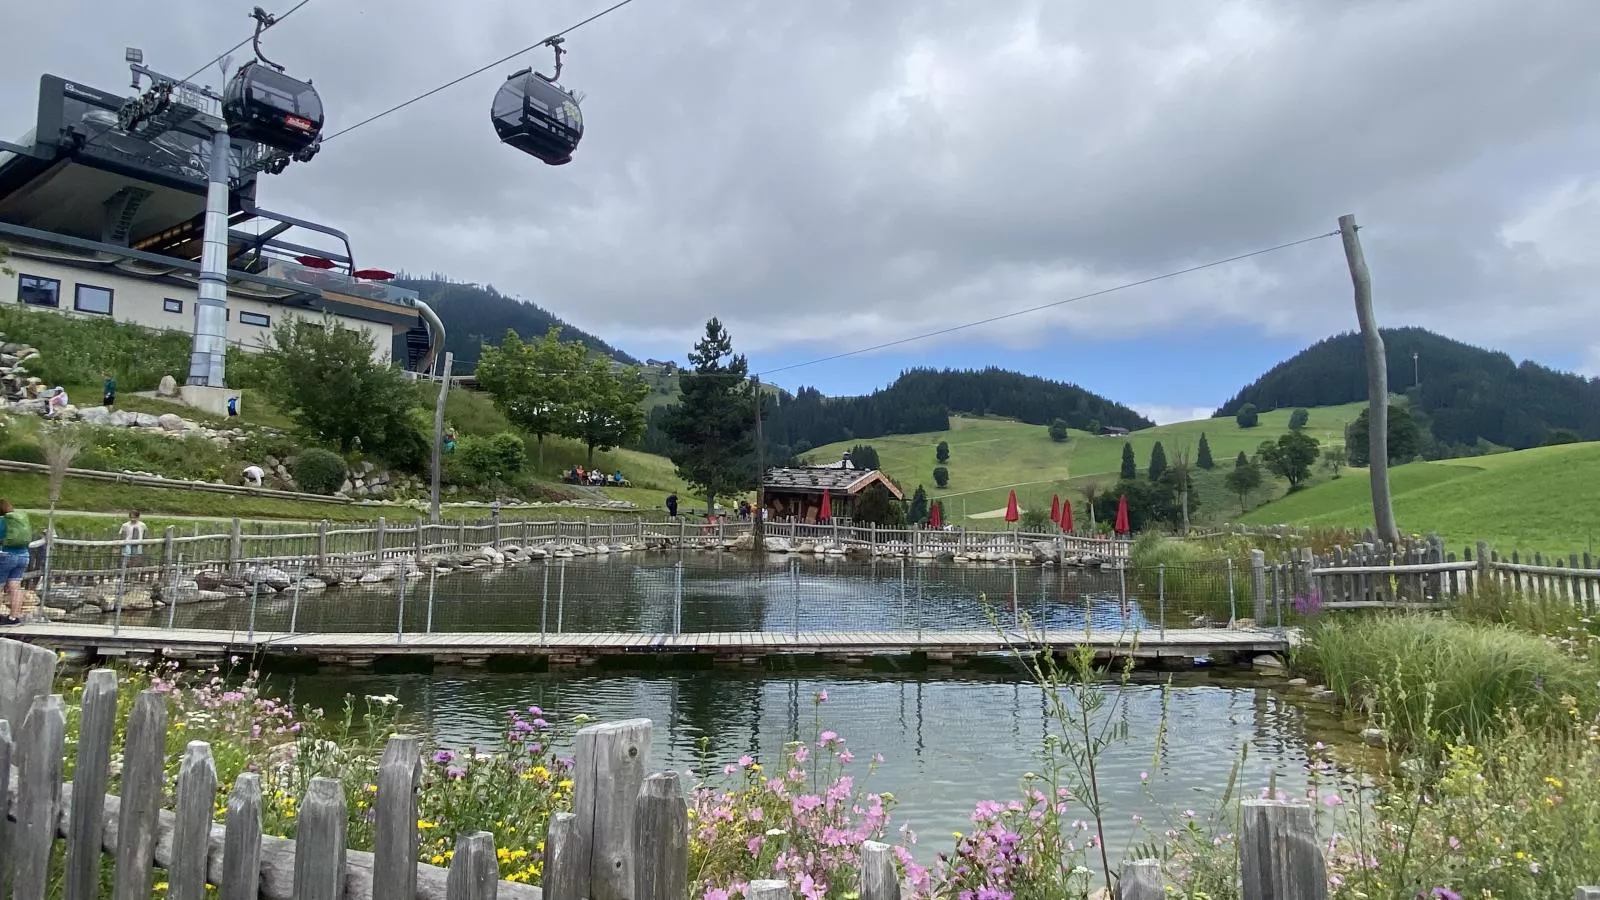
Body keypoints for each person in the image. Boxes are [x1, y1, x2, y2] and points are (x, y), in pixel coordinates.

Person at [0, 499, 31, 626]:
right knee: (15, 587)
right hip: (24, 555)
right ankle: (14, 617)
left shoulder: (3, 521)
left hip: (7, 555)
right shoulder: (18, 521)